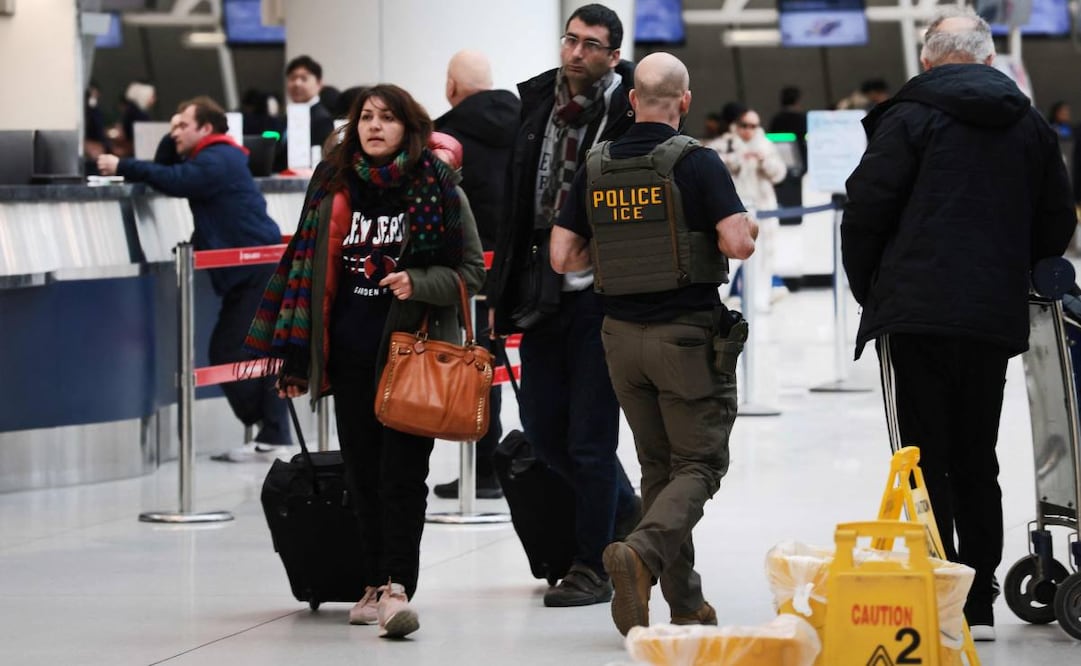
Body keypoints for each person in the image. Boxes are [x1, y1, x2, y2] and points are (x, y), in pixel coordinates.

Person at [840, 7, 1076, 642]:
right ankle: (978, 600)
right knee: (977, 455)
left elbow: (864, 211)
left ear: (926, 59)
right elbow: (1057, 220)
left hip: (914, 316)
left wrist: (876, 291)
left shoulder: (908, 118)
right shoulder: (1027, 124)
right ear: (991, 58)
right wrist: (1017, 275)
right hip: (989, 315)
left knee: (920, 456)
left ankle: (939, 596)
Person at [243, 84, 485, 638]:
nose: (375, 127)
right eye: (366, 118)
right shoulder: (331, 187)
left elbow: (472, 271)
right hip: (349, 353)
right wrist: (298, 358)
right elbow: (304, 273)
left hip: (410, 354)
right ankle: (373, 583)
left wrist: (418, 280)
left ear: (409, 127)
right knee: (362, 475)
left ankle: (397, 585)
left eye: (387, 118)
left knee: (402, 476)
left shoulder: (438, 186)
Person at [550, 51, 757, 636]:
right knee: (701, 463)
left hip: (618, 338)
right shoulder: (697, 163)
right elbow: (736, 244)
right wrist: (750, 226)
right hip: (686, 338)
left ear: (632, 100)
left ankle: (685, 602)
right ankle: (639, 553)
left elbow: (564, 257)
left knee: (658, 467)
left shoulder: (594, 165)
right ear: (684, 102)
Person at [488, 3, 642, 608]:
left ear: (612, 55)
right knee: (544, 433)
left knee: (590, 437)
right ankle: (627, 514)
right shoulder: (535, 106)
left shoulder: (630, 112)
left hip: (603, 296)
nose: (575, 52)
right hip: (540, 290)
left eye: (590, 45)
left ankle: (592, 564)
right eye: (570, 40)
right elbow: (515, 201)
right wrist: (501, 292)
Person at [96, 96, 294, 462]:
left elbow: (176, 179)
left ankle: (271, 429)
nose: (175, 132)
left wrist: (123, 164)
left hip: (255, 267)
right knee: (255, 348)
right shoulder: (216, 154)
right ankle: (273, 431)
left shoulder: (219, 158)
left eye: (182, 125)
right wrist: (173, 137)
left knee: (229, 349)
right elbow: (166, 166)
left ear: (206, 129)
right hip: (251, 268)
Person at [431, 50, 522, 500]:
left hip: (470, 271)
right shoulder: (527, 124)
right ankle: (501, 462)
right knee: (499, 365)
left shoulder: (445, 137)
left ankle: (483, 466)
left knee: (474, 364)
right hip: (521, 266)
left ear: (451, 86)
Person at [710, 108, 787, 310]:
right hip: (734, 208)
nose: (748, 130)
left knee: (763, 257)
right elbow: (712, 168)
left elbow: (780, 174)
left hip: (763, 209)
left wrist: (764, 162)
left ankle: (760, 302)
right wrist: (737, 160)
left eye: (753, 126)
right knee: (729, 256)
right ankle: (717, 299)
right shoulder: (724, 144)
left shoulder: (766, 145)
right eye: (745, 125)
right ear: (737, 125)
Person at [280, 55, 335, 167]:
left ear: (319, 84)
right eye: (292, 78)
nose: (297, 83)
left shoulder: (323, 119)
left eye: (304, 78)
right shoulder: (288, 115)